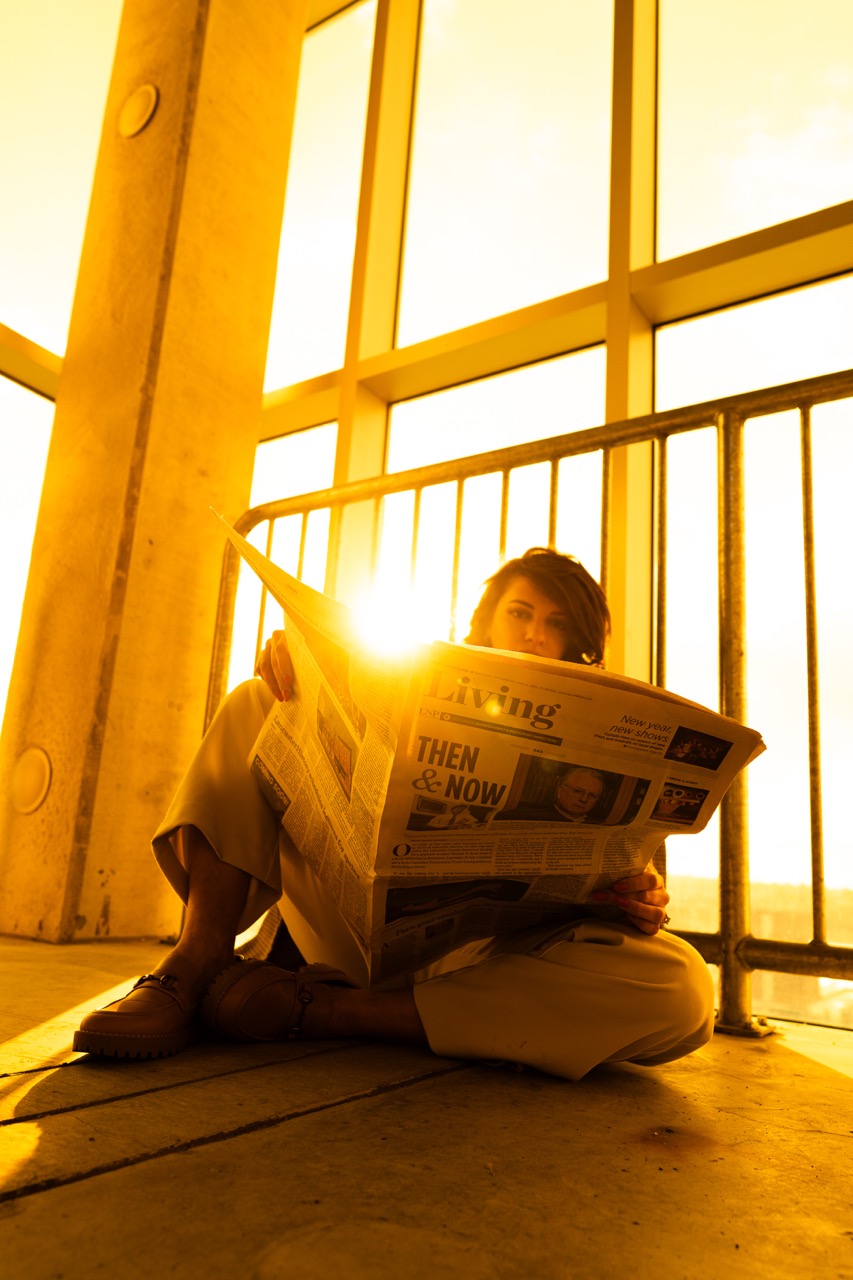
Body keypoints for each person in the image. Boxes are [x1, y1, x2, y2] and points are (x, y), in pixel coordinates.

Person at [74, 548, 715, 1080]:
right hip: (352, 922)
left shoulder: (604, 736)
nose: (534, 635)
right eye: (520, 613)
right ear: (487, 622)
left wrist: (641, 901)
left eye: (556, 625)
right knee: (258, 703)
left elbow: (647, 893)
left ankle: (334, 1012)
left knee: (684, 988)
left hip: (484, 963)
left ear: (580, 644)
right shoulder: (408, 677)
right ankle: (195, 961)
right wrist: (294, 658)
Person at [496, 765, 606, 823]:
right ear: (560, 791)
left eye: (592, 795)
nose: (584, 799)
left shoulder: (599, 825)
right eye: (578, 791)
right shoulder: (522, 816)